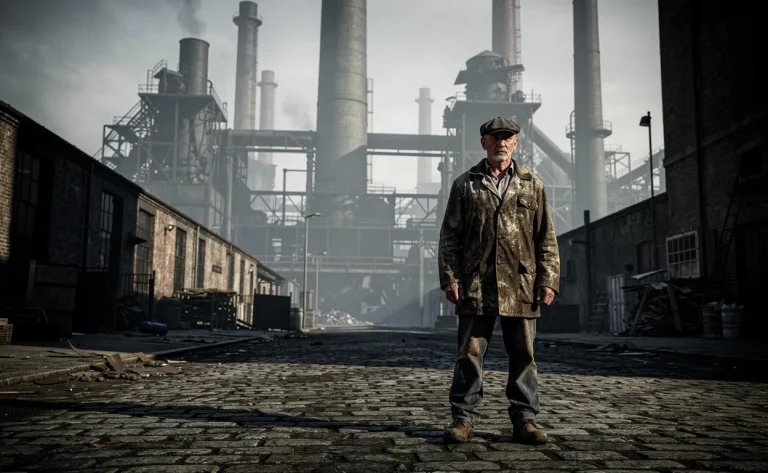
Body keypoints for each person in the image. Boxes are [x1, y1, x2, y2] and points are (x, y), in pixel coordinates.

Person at [438, 116, 560, 444]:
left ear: (516, 143)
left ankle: (525, 419)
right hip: (476, 285)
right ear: (484, 143)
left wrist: (548, 280)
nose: (501, 143)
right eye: (495, 138)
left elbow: (545, 236)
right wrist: (450, 277)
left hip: (520, 286)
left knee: (523, 355)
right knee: (469, 354)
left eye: (507, 138)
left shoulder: (533, 184)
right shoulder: (466, 184)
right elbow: (450, 235)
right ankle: (463, 419)